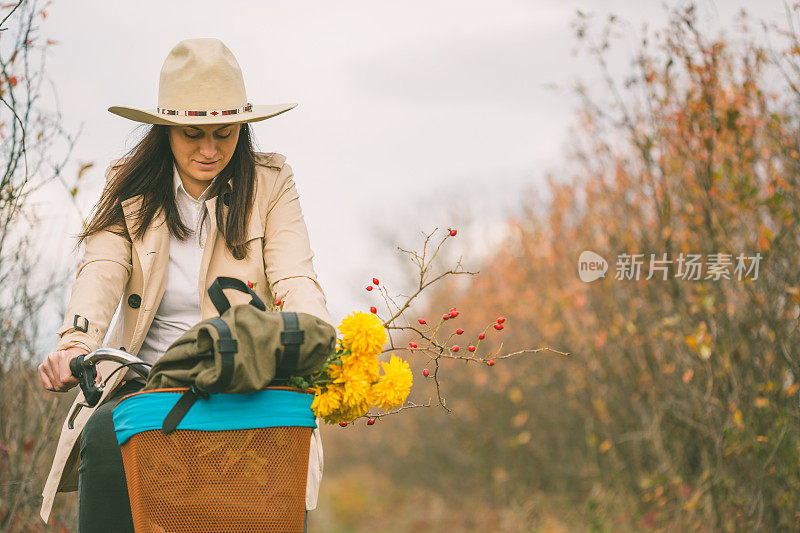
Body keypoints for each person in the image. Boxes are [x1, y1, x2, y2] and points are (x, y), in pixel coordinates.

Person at [36, 38, 332, 532]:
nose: (210, 149)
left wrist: (319, 339)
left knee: (279, 460)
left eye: (225, 132)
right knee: (107, 439)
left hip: (246, 382)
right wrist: (76, 343)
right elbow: (101, 271)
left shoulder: (271, 183)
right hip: (148, 386)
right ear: (166, 130)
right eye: (193, 133)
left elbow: (295, 274)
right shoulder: (128, 186)